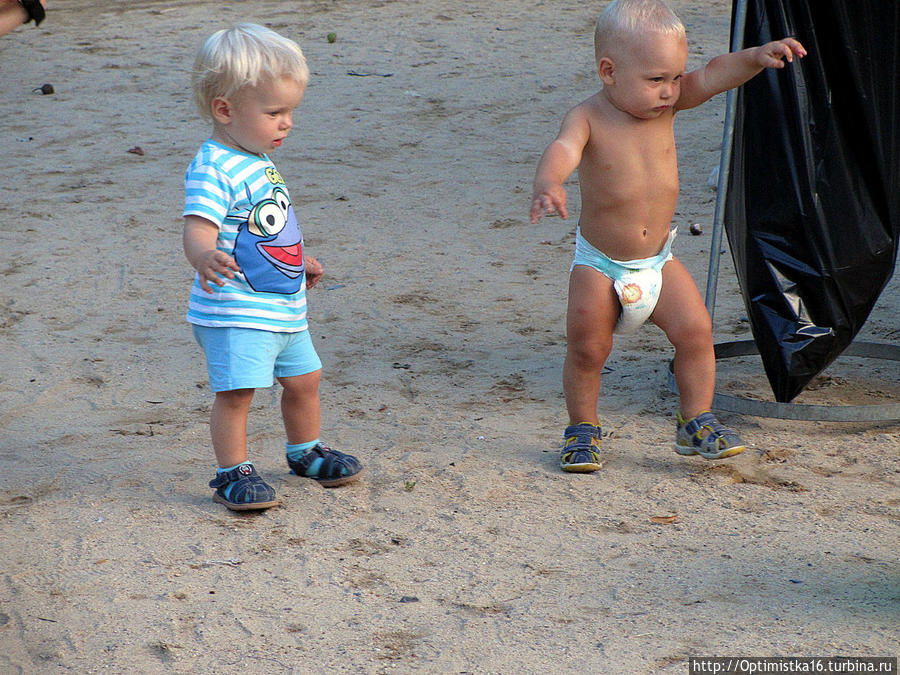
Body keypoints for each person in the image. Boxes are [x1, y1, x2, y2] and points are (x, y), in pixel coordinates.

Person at [529, 0, 806, 472]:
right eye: (656, 79)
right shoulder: (588, 117)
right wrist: (549, 182)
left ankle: (696, 419)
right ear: (609, 71)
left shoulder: (669, 105)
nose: (669, 91)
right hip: (601, 265)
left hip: (658, 261)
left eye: (675, 77)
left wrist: (756, 55)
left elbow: (715, 73)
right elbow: (564, 148)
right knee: (588, 347)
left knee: (697, 332)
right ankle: (582, 428)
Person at [183, 23, 363, 510]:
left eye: (290, 112)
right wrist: (203, 256)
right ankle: (232, 472)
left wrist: (298, 260)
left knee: (305, 381)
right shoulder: (214, 167)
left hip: (282, 306)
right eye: (274, 112)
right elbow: (198, 227)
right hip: (235, 309)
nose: (287, 123)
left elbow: (267, 225)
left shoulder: (256, 159)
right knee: (237, 392)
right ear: (226, 109)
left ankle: (305, 452)